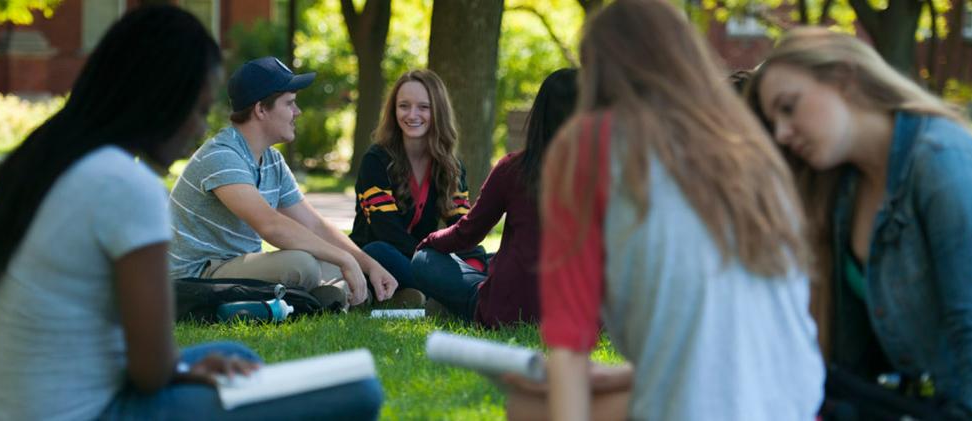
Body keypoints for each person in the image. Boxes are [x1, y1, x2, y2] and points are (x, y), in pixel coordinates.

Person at [0, 7, 383, 420]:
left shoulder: (54, 163)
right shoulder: (130, 187)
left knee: (234, 355)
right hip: (91, 410)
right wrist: (177, 369)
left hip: (24, 404)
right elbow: (150, 371)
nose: (198, 128)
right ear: (159, 100)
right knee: (362, 389)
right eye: (197, 109)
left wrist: (183, 367)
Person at [509, 1, 826, 419]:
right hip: (797, 401)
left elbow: (570, 340)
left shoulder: (588, 146)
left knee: (528, 404)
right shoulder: (750, 148)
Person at [748, 27, 972, 420]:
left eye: (788, 108)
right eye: (775, 123)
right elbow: (849, 358)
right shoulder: (845, 184)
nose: (783, 134)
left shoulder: (942, 162)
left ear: (845, 79)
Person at [167, 56, 397, 310]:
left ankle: (340, 292)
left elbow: (313, 224)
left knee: (344, 258)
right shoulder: (221, 156)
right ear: (261, 109)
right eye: (290, 103)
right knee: (303, 265)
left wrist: (367, 264)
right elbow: (271, 226)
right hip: (197, 278)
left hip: (240, 266)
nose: (297, 112)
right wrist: (344, 260)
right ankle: (334, 294)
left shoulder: (272, 160)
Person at [408, 68, 577, 327]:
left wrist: (429, 241)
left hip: (507, 309)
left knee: (425, 260)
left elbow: (468, 233)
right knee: (493, 258)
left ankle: (449, 301)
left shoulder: (515, 168)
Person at [349, 69, 473, 303]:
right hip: (381, 257)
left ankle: (415, 293)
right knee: (378, 250)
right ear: (393, 110)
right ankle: (445, 293)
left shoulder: (451, 165)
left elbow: (462, 227)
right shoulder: (376, 160)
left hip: (425, 261)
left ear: (438, 111)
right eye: (404, 106)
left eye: (423, 107)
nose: (412, 114)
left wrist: (473, 260)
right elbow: (386, 232)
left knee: (485, 259)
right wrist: (436, 261)